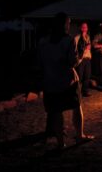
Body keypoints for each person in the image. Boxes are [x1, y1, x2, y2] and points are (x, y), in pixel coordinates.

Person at [38, 12, 94, 150]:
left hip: (50, 81)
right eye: (68, 23)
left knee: (57, 111)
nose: (69, 26)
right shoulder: (68, 40)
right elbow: (72, 62)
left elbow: (40, 62)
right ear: (64, 24)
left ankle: (60, 143)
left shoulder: (43, 41)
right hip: (67, 81)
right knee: (76, 106)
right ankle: (79, 136)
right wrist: (80, 55)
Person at [74, 22, 92, 97]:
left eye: (86, 27)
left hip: (87, 58)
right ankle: (77, 92)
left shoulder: (88, 37)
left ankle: (85, 91)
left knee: (87, 75)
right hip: (81, 59)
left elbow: (89, 47)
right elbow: (75, 49)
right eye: (83, 27)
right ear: (81, 28)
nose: (85, 28)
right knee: (80, 76)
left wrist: (90, 53)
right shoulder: (77, 38)